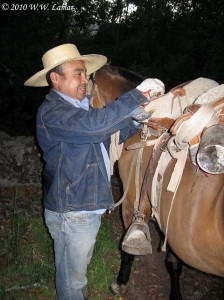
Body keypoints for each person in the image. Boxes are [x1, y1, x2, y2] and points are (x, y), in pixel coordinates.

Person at [24, 43, 165, 300]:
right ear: (55, 78)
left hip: (85, 207)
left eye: (86, 74)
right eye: (77, 73)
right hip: (72, 211)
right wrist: (138, 95)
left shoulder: (79, 111)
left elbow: (106, 135)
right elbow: (95, 128)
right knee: (72, 282)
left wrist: (135, 121)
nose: (85, 79)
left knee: (76, 273)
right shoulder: (53, 112)